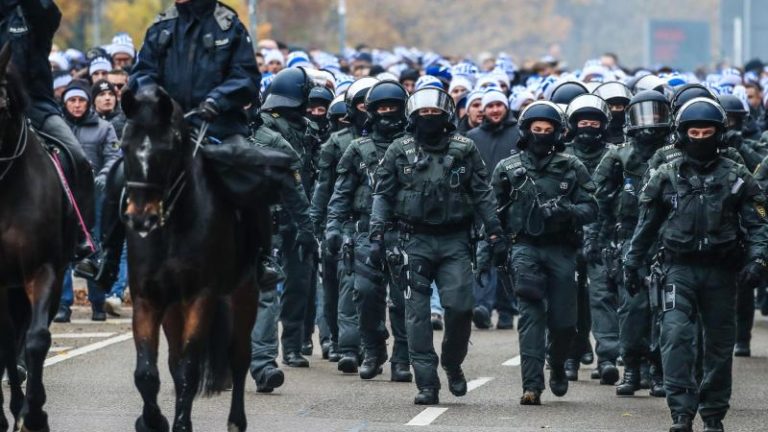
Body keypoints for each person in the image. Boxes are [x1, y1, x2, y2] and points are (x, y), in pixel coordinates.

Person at [93, 0, 261, 290]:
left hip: (217, 124)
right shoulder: (160, 26)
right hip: (164, 125)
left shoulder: (229, 26)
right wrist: (155, 97)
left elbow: (246, 77)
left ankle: (260, 258)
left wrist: (216, 101)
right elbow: (142, 72)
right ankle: (107, 255)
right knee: (119, 173)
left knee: (247, 167)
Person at [624, 97, 768, 432]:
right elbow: (645, 226)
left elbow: (760, 224)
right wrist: (631, 264)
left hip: (722, 271)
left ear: (719, 134)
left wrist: (758, 259)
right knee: (675, 337)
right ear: (682, 134)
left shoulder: (738, 177)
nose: (700, 138)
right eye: (694, 132)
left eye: (707, 132)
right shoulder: (665, 176)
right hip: (678, 268)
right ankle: (681, 413)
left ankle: (714, 414)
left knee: (718, 347)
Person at [370, 87, 504, 405]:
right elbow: (383, 194)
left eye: (435, 112)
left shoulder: (465, 148)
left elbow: (483, 193)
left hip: (455, 240)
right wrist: (377, 235)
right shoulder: (398, 149)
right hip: (412, 240)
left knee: (460, 308)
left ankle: (453, 363)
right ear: (413, 116)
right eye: (423, 113)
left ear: (446, 116)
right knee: (415, 316)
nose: (429, 117)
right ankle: (426, 383)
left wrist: (495, 233)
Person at [492, 101, 597, 405]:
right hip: (524, 248)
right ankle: (532, 385)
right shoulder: (508, 169)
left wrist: (566, 210)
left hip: (562, 249)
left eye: (547, 130)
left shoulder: (571, 166)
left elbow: (592, 208)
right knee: (530, 317)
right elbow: (490, 211)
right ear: (525, 131)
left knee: (565, 323)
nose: (541, 134)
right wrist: (494, 245)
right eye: (536, 130)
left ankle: (559, 363)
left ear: (557, 133)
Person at [0, 0, 97, 276]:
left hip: (36, 105)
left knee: (78, 158)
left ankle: (83, 240)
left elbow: (50, 14)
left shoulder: (32, 13)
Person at [326, 80, 412, 382]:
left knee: (404, 300)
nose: (387, 113)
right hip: (364, 232)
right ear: (371, 112)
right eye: (381, 108)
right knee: (364, 294)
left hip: (405, 232)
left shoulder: (414, 146)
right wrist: (333, 227)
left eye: (393, 107)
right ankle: (373, 350)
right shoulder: (357, 149)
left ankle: (403, 358)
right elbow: (341, 193)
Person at [593, 90, 671, 398]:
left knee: (664, 309)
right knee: (632, 308)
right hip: (627, 238)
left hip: (665, 238)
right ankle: (632, 368)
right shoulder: (617, 156)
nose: (650, 123)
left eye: (657, 114)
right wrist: (595, 238)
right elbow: (599, 198)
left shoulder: (675, 154)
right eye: (644, 115)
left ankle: (659, 370)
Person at [313, 77, 378, 373]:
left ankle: (372, 344)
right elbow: (325, 189)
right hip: (346, 222)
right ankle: (344, 344)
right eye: (362, 104)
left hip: (381, 223)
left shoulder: (395, 140)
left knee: (371, 291)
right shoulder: (336, 143)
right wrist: (320, 226)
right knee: (342, 284)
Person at [247, 109, 314, 393]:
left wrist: (307, 228)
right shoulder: (202, 136)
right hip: (212, 232)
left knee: (265, 290)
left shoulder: (272, 141)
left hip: (257, 232)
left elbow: (292, 187)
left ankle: (263, 365)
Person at [259, 67, 321, 369]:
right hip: (272, 213)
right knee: (266, 285)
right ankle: (263, 350)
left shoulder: (308, 128)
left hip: (300, 212)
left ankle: (294, 345)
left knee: (300, 282)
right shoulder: (265, 127)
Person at [54, 80, 120, 322]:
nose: (77, 105)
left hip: (94, 198)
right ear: (65, 102)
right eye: (72, 100)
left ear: (88, 102)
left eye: (81, 100)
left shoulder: (104, 128)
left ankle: (98, 303)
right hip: (62, 196)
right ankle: (63, 304)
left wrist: (103, 176)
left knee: (94, 248)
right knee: (62, 250)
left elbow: (114, 156)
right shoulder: (56, 128)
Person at [563, 93, 617, 383]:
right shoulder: (563, 155)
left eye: (594, 122)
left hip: (604, 237)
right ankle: (569, 357)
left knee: (602, 295)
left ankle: (608, 357)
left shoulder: (615, 154)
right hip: (567, 237)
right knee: (569, 298)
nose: (588, 127)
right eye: (582, 122)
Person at [467, 88, 520, 330]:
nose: (495, 110)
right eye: (490, 106)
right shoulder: (473, 137)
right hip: (481, 206)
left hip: (512, 205)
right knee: (483, 256)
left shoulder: (518, 133)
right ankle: (482, 307)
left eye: (499, 105)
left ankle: (507, 309)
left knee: (507, 258)